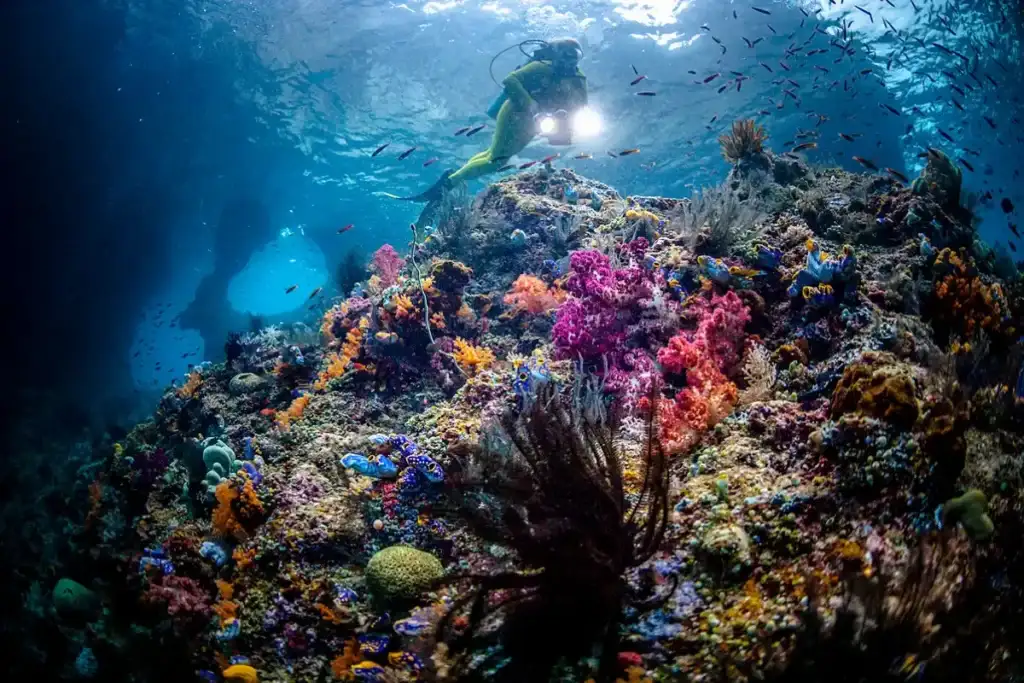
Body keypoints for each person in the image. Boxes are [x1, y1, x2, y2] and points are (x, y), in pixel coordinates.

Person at [401, 38, 589, 202]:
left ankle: (454, 177)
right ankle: (448, 185)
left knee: (494, 153)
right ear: (556, 54)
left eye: (574, 56)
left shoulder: (578, 78)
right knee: (498, 160)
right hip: (516, 115)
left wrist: (568, 119)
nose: (569, 60)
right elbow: (510, 80)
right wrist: (530, 104)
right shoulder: (541, 67)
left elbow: (582, 103)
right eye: (565, 55)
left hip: (534, 123)